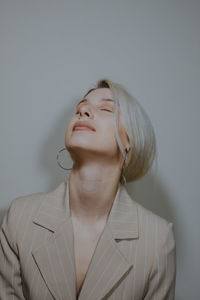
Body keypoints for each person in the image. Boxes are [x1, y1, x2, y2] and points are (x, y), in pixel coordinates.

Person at [0, 78, 176, 300]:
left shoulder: (158, 240)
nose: (83, 110)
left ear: (129, 139)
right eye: (80, 107)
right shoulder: (19, 217)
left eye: (105, 108)